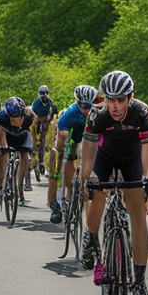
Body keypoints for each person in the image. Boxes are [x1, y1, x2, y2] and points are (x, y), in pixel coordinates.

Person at [78, 71, 148, 295]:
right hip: (105, 157)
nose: (115, 106)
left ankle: (141, 281)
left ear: (130, 98)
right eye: (110, 100)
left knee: (137, 215)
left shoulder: (142, 113)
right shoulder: (97, 115)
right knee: (98, 194)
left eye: (120, 100)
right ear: (104, 99)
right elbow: (88, 151)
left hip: (133, 159)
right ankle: (90, 237)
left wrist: (146, 179)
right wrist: (87, 177)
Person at [47, 85, 97, 224]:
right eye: (83, 107)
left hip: (89, 138)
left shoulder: (98, 110)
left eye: (89, 107)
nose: (86, 111)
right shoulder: (71, 112)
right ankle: (56, 203)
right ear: (77, 102)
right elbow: (62, 136)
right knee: (57, 163)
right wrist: (62, 152)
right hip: (71, 138)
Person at [0, 96, 35, 206]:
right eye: (12, 117)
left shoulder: (29, 115)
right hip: (7, 135)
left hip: (22, 135)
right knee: (3, 154)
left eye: (17, 117)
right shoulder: (2, 117)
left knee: (25, 155)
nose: (15, 120)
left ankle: (18, 184)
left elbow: (33, 132)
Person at [31, 84, 58, 176]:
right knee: (35, 146)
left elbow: (53, 115)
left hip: (47, 124)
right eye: (43, 93)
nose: (45, 95)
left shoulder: (51, 103)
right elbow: (34, 116)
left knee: (48, 146)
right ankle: (33, 165)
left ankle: (46, 167)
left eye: (46, 93)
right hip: (36, 124)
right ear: (39, 94)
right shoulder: (36, 103)